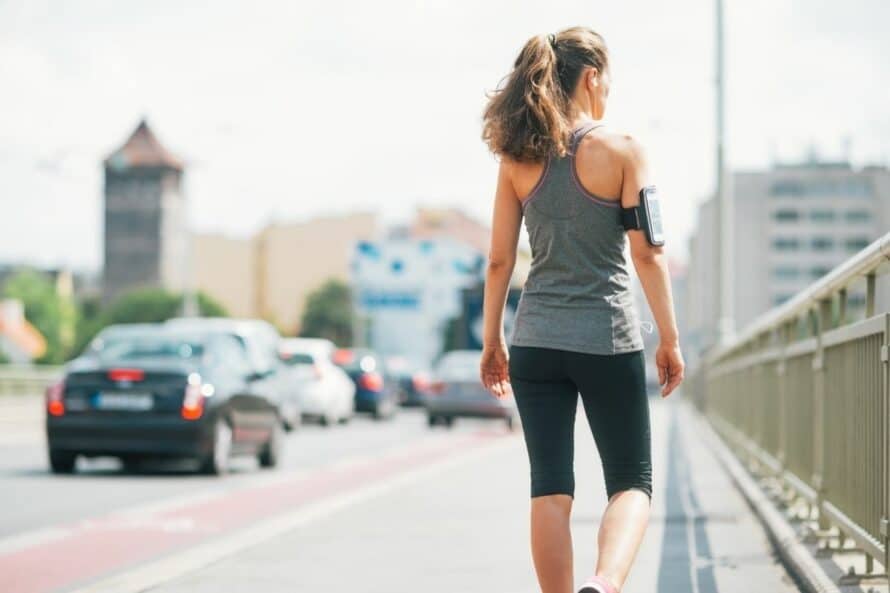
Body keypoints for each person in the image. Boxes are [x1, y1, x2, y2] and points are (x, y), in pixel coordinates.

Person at [478, 27, 685, 593]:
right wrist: (669, 337)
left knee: (549, 485)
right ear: (591, 76)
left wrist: (492, 338)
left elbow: (499, 260)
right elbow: (648, 251)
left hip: (536, 340)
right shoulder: (623, 151)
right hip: (608, 338)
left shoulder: (516, 158)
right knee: (631, 482)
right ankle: (606, 584)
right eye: (607, 78)